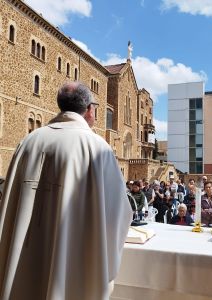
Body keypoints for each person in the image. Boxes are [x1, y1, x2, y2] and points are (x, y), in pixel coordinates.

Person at [0, 82, 132, 300]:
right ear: (90, 109)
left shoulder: (28, 142)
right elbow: (118, 214)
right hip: (71, 264)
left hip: (23, 259)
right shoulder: (97, 148)